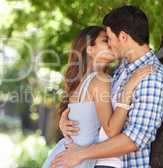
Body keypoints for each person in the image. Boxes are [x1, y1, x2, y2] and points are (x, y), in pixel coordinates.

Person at [51, 5, 163, 168]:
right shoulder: (123, 68)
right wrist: (68, 121)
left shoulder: (153, 77)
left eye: (109, 38)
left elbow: (134, 139)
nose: (109, 44)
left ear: (122, 37)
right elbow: (97, 110)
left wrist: (81, 153)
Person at [42, 25, 153, 168]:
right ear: (90, 50)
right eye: (105, 40)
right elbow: (111, 130)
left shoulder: (80, 81)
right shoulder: (100, 80)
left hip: (66, 153)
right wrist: (129, 88)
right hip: (78, 159)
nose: (111, 43)